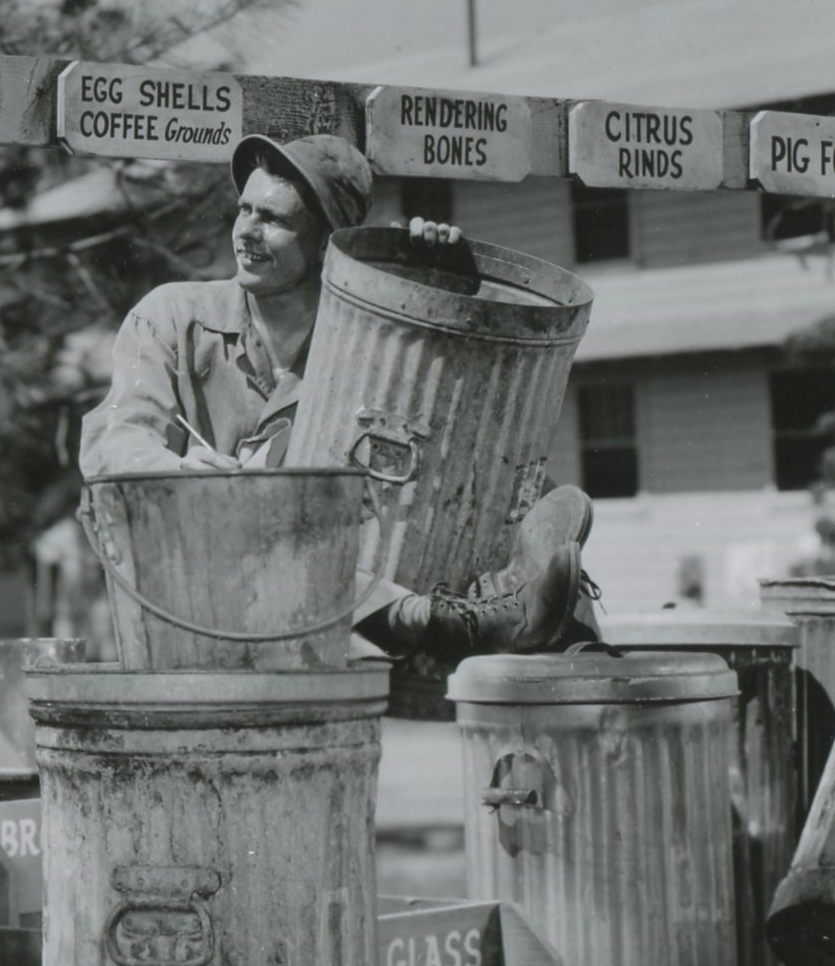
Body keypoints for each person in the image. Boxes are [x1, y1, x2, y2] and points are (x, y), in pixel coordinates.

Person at [78, 131, 602, 659]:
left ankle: (548, 633)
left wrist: (429, 286)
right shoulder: (170, 316)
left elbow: (453, 451)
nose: (247, 232)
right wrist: (178, 474)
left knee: (517, 505)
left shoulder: (370, 343)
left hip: (315, 613)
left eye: (275, 220)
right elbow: (113, 441)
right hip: (189, 589)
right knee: (255, 518)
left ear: (329, 242)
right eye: (245, 210)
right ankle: (437, 623)